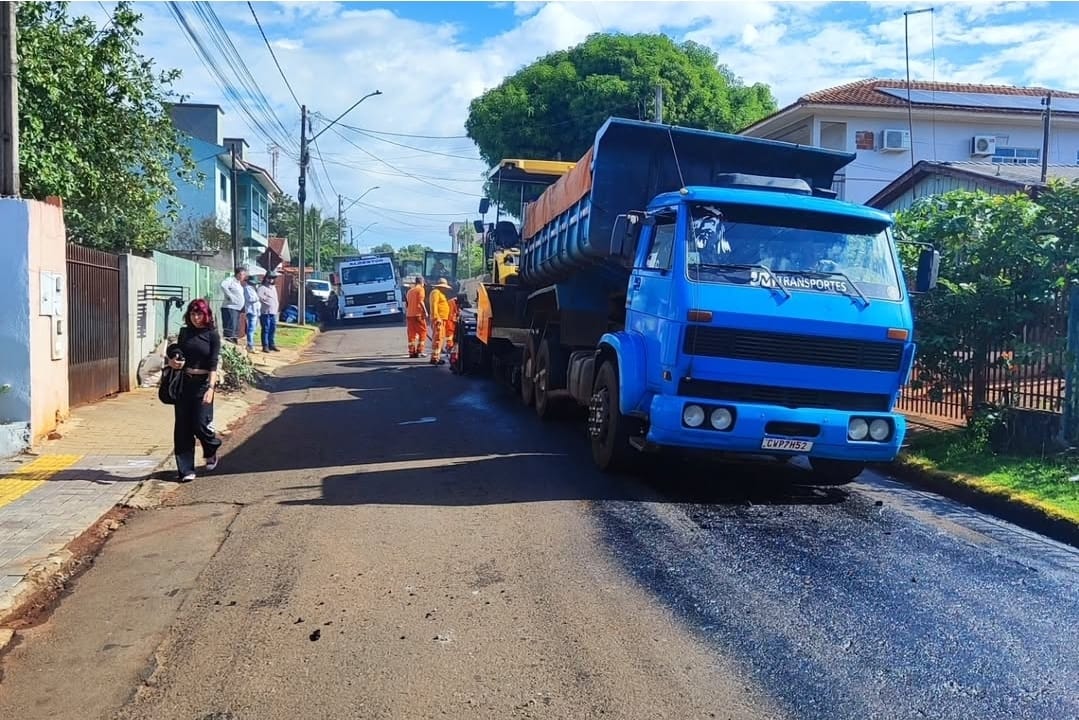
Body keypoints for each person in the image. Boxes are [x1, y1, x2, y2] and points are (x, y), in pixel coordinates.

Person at [165, 298, 223, 482]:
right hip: (184, 383)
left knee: (200, 424)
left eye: (199, 314)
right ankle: (186, 470)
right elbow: (177, 354)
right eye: (192, 313)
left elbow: (213, 364)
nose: (196, 317)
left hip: (203, 384)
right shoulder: (185, 333)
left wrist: (211, 388)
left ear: (206, 315)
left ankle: (211, 447)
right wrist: (172, 361)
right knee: (182, 428)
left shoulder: (212, 334)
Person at [428, 277, 452, 365]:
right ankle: (434, 358)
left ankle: (436, 357)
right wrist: (436, 317)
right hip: (439, 319)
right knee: (437, 338)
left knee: (440, 338)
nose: (446, 289)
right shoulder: (436, 292)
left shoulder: (440, 293)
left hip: (442, 319)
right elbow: (434, 305)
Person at [220, 266, 246, 342]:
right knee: (230, 328)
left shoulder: (239, 284)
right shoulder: (230, 280)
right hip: (230, 308)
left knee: (235, 328)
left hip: (237, 309)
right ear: (238, 274)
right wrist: (230, 296)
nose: (244, 276)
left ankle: (234, 344)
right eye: (243, 274)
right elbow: (223, 285)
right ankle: (229, 345)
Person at [405, 276, 428, 358]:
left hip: (409, 315)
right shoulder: (420, 289)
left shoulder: (410, 291)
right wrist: (425, 311)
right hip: (418, 315)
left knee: (411, 333)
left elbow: (407, 304)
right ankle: (420, 350)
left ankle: (411, 352)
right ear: (422, 282)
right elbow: (421, 301)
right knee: (423, 332)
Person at [257, 272, 280, 352]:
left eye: (273, 278)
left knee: (272, 329)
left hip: (273, 312)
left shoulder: (273, 288)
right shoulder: (262, 288)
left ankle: (271, 344)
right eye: (269, 278)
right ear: (266, 278)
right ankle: (265, 346)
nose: (271, 280)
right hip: (265, 312)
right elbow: (260, 298)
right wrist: (268, 302)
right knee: (266, 329)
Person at [243, 275, 260, 352]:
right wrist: (257, 298)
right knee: (251, 329)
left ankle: (250, 345)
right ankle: (250, 346)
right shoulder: (247, 288)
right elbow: (250, 298)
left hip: (255, 310)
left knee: (253, 329)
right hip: (251, 311)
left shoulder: (253, 289)